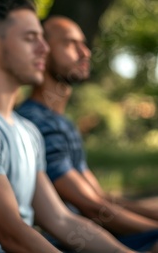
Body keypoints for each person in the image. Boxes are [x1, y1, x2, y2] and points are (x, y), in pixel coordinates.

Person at [0, 0, 136, 253]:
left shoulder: (28, 130)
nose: (44, 48)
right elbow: (10, 233)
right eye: (30, 38)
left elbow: (61, 219)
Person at [17, 15, 158, 252]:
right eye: (70, 44)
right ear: (42, 51)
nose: (85, 53)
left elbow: (101, 199)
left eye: (83, 43)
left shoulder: (60, 121)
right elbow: (91, 207)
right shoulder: (37, 121)